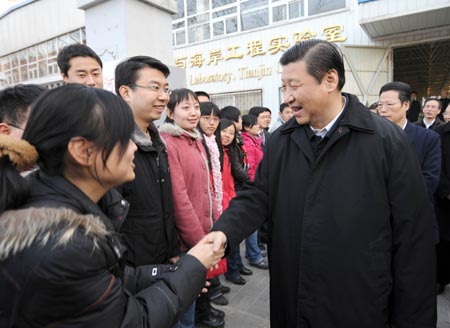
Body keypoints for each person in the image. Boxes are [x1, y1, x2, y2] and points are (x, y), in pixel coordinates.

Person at [207, 39, 436, 327]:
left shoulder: (386, 141)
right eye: (284, 87)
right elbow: (258, 195)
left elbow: (413, 237)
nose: (287, 96)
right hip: (294, 297)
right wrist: (224, 232)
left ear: (330, 80)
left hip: (358, 302)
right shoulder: (282, 140)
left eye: (295, 85)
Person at [0, 84, 224, 327]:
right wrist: (194, 265)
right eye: (123, 139)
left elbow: (112, 279)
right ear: (82, 151)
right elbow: (134, 321)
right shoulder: (63, 246)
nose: (134, 147)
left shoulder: (63, 210)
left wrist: (178, 270)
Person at [159, 89, 224, 328]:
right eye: (185, 108)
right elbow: (179, 198)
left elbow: (207, 188)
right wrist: (200, 240)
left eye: (196, 106)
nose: (194, 112)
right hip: (188, 241)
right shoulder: (170, 143)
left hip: (202, 234)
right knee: (183, 307)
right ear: (170, 112)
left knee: (193, 299)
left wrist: (216, 225)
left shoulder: (193, 139)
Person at [378, 82, 441, 201]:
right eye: (380, 104)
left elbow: (429, 181)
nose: (383, 110)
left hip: (412, 210)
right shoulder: (370, 137)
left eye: (390, 104)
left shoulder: (428, 138)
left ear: (406, 105)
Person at [239, 114, 268, 270]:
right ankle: (254, 256)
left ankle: (253, 252)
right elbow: (250, 168)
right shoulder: (247, 143)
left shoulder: (255, 140)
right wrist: (254, 186)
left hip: (256, 183)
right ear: (247, 127)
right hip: (253, 185)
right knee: (251, 223)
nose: (259, 127)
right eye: (255, 125)